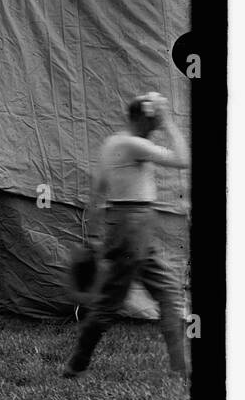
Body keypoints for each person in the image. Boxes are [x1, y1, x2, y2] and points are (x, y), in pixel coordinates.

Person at [63, 92, 190, 380]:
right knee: (111, 301)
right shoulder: (133, 144)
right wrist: (169, 121)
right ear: (141, 119)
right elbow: (183, 159)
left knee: (167, 290)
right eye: (152, 123)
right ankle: (76, 364)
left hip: (126, 223)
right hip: (135, 225)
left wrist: (95, 234)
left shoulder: (113, 143)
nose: (155, 128)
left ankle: (180, 367)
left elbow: (97, 190)